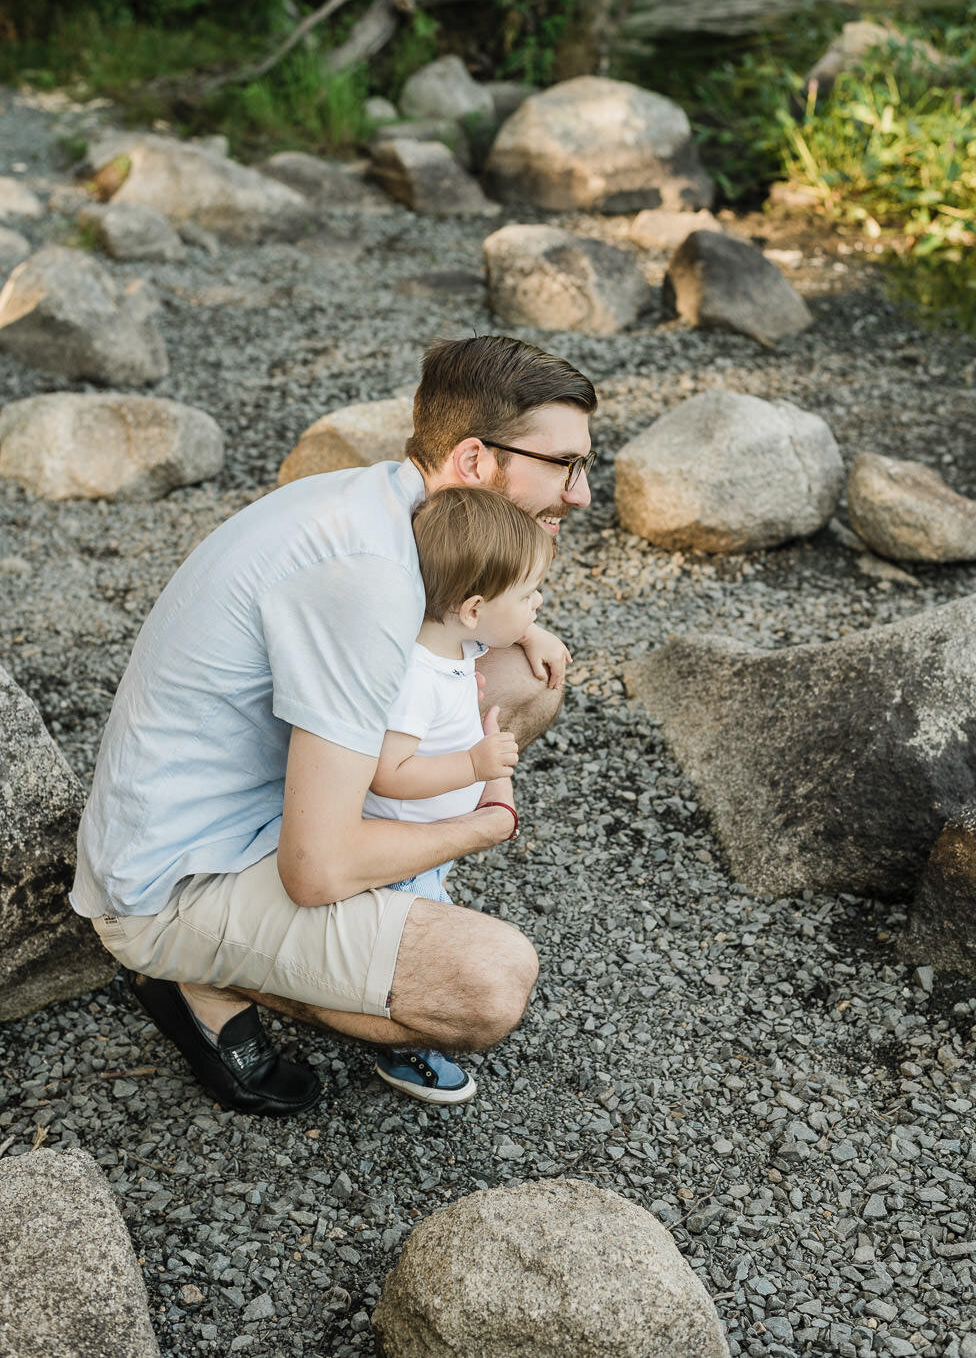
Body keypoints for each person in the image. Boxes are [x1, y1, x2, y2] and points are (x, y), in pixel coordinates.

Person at [71, 334, 597, 1116]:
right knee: (489, 982)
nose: (581, 495)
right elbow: (312, 872)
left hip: (260, 807)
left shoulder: (387, 504)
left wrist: (520, 626)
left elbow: (458, 613)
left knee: (524, 679)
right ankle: (196, 977)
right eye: (565, 466)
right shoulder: (367, 582)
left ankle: (357, 917)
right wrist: (484, 822)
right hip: (173, 880)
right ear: (476, 462)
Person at [364, 485, 555, 1103]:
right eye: (529, 596)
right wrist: (473, 762)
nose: (539, 602)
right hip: (400, 850)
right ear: (472, 608)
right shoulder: (416, 679)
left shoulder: (456, 642)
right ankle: (403, 1044)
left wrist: (533, 634)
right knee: (407, 945)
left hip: (428, 842)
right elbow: (389, 772)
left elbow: (496, 636)